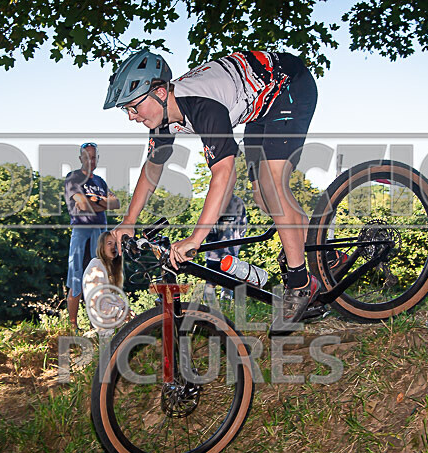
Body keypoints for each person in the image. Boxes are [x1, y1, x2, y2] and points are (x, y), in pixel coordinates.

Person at [105, 50, 319, 330]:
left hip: (289, 85)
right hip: (258, 107)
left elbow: (224, 175)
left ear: (159, 92)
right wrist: (129, 221)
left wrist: (196, 237)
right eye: (127, 110)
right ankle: (321, 254)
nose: (131, 117)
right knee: (263, 198)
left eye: (134, 106)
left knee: (273, 187)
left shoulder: (202, 106)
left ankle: (301, 282)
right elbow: (152, 170)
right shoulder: (164, 116)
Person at [65, 142, 120, 329]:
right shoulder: (73, 178)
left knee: (101, 278)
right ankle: (73, 326)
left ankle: (96, 324)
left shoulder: (99, 182)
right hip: (81, 232)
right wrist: (102, 203)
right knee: (77, 279)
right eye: (87, 156)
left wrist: (95, 201)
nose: (91, 160)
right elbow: (81, 204)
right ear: (81, 158)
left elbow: (116, 203)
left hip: (101, 235)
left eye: (94, 156)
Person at [82, 232, 128, 340]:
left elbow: (108, 298)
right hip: (107, 327)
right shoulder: (96, 265)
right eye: (109, 243)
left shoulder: (108, 268)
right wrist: (122, 313)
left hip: (111, 323)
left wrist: (125, 309)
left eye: (116, 244)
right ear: (102, 247)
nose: (114, 247)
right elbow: (99, 302)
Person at [204, 194, 247, 301]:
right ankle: (209, 309)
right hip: (214, 254)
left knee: (226, 283)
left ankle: (222, 309)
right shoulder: (218, 199)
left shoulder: (236, 202)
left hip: (227, 254)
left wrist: (236, 242)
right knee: (214, 283)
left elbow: (243, 226)